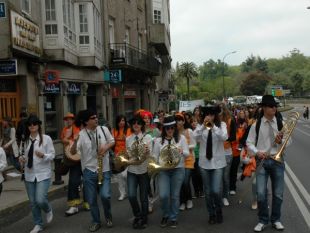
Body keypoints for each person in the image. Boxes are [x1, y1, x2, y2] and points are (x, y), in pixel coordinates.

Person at [247, 95, 287, 232]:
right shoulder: (256, 125)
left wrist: (281, 140)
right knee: (261, 193)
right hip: (262, 161)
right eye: (271, 106)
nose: (274, 108)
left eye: (275, 106)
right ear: (263, 108)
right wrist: (257, 152)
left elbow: (290, 142)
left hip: (278, 161)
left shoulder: (281, 123)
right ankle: (263, 220)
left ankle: (276, 219)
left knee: (278, 194)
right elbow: (249, 143)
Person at [70, 109, 115, 232]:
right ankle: (96, 221)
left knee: (105, 196)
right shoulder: (82, 134)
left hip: (104, 169)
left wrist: (105, 147)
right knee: (91, 200)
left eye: (96, 117)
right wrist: (74, 142)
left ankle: (108, 216)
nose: (96, 119)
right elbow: (73, 152)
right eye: (92, 117)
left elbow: (112, 141)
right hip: (89, 171)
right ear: (85, 121)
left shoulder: (103, 129)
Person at [18, 114, 55, 233]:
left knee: (40, 199)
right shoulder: (25, 141)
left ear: (39, 125)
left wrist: (44, 155)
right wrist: (21, 158)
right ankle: (38, 224)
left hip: (43, 174)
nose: (32, 126)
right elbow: (21, 154)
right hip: (29, 174)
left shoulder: (46, 139)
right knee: (33, 202)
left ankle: (48, 209)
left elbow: (52, 155)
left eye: (34, 123)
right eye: (30, 124)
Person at [153, 115, 189, 228]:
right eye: (167, 128)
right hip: (164, 170)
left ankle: (173, 217)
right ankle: (166, 214)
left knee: (174, 196)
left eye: (172, 128)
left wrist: (182, 151)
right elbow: (154, 156)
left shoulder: (181, 138)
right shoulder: (159, 141)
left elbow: (188, 154)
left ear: (175, 128)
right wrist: (159, 163)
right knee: (163, 195)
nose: (170, 130)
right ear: (164, 129)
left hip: (178, 169)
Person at [193, 104, 228, 224]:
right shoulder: (200, 126)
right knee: (207, 192)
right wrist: (203, 126)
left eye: (212, 115)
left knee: (216, 191)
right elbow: (194, 137)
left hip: (218, 163)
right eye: (207, 114)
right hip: (204, 163)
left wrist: (213, 127)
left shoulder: (221, 125)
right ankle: (211, 214)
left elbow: (224, 137)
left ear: (215, 116)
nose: (209, 117)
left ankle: (219, 210)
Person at [126, 116, 152, 229]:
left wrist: (146, 152)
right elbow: (128, 155)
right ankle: (138, 215)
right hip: (132, 170)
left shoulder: (148, 138)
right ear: (132, 126)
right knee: (131, 195)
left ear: (142, 125)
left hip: (143, 170)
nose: (136, 125)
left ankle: (144, 219)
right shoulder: (128, 139)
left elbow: (150, 155)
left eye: (138, 123)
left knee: (143, 198)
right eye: (134, 123)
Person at [60, 113, 87, 216]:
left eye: (70, 119)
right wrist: (68, 139)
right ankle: (73, 205)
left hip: (84, 159)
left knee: (87, 182)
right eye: (67, 119)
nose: (68, 121)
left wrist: (70, 140)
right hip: (73, 159)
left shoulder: (77, 128)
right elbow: (63, 140)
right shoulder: (65, 129)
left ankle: (87, 202)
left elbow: (77, 140)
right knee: (73, 181)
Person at [175, 113, 196, 211]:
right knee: (180, 182)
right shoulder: (173, 133)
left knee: (185, 181)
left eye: (180, 120)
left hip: (188, 159)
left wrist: (184, 148)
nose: (178, 122)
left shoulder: (189, 131)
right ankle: (182, 201)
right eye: (176, 120)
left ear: (183, 121)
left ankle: (189, 200)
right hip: (178, 160)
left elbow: (194, 144)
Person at [220, 104, 236, 206]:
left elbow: (233, 136)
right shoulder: (212, 123)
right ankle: (218, 196)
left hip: (226, 152)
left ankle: (225, 196)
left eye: (221, 111)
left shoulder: (231, 121)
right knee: (217, 177)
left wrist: (224, 139)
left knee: (225, 177)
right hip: (215, 153)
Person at [112, 114, 131, 201]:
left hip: (127, 155)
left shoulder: (129, 130)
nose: (121, 122)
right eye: (120, 121)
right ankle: (122, 193)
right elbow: (112, 143)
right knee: (119, 176)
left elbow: (131, 141)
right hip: (117, 156)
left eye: (123, 120)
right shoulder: (114, 131)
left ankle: (131, 190)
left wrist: (126, 138)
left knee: (125, 175)